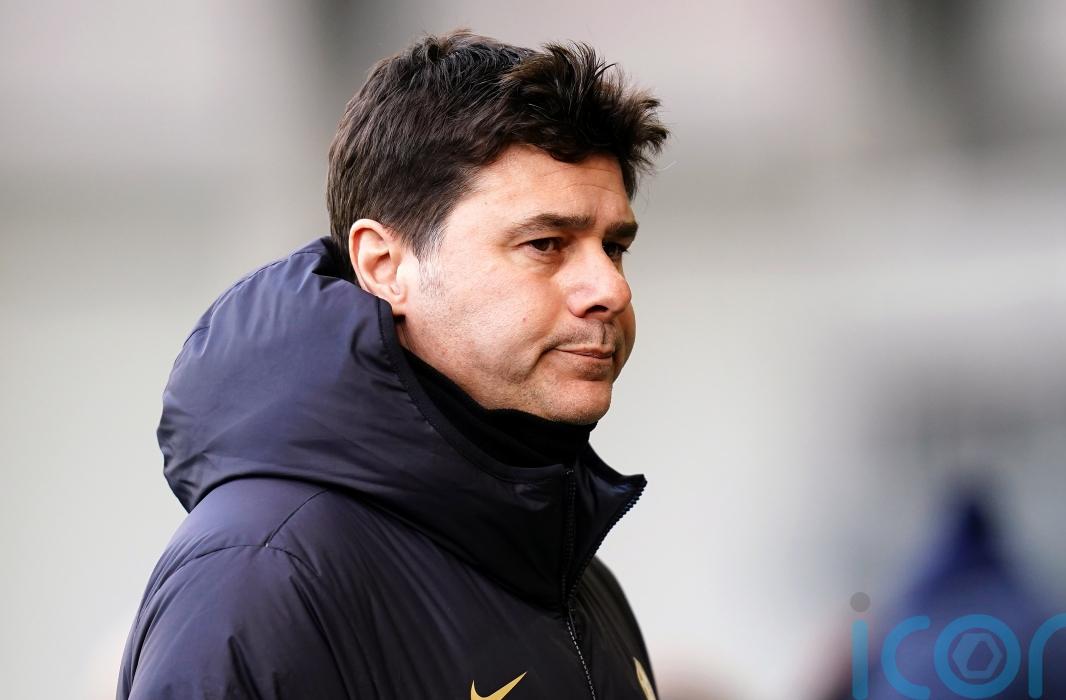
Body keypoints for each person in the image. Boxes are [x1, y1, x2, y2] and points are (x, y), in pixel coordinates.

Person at [116, 29, 669, 699]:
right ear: (384, 265)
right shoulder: (260, 575)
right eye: (546, 243)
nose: (610, 289)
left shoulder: (577, 583)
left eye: (614, 248)